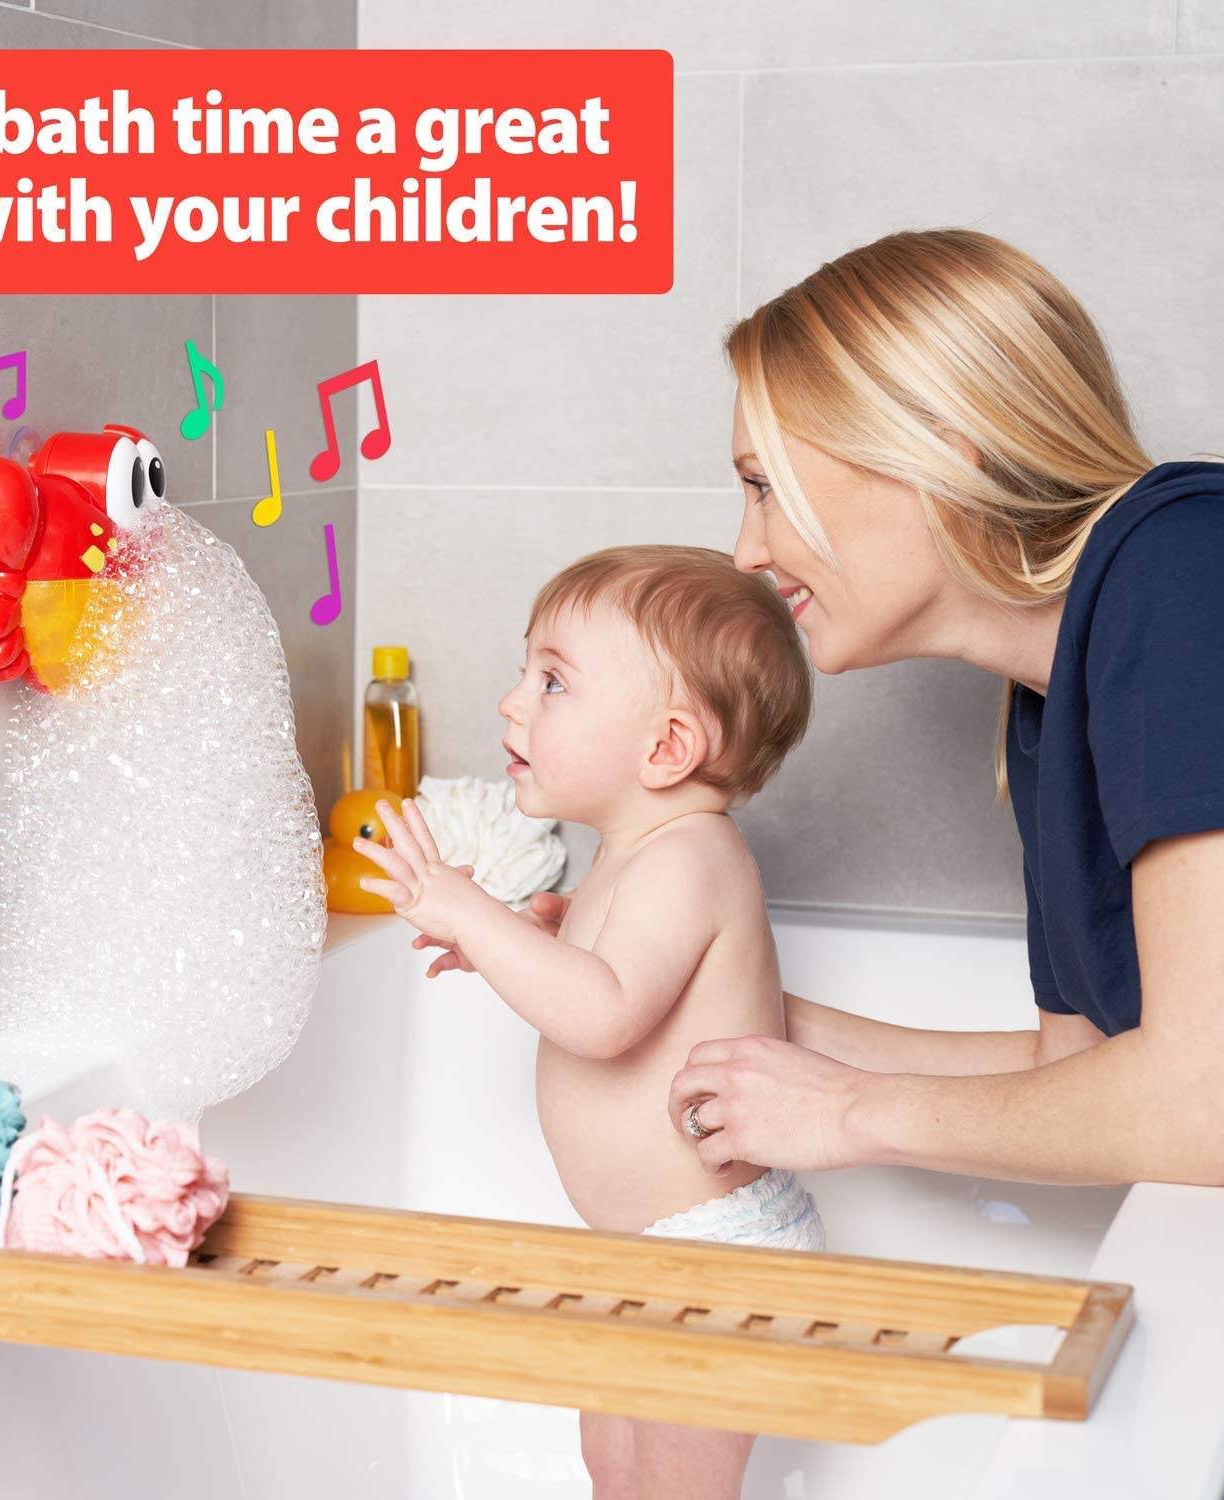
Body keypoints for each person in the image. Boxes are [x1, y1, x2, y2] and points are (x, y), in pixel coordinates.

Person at [548, 226, 1224, 1193]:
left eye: (763, 486)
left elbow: (1206, 1105)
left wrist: (849, 1114)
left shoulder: (1187, 570)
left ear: (935, 454)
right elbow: (1074, 1075)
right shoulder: (1052, 695)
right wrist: (694, 994)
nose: (745, 549)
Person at [355, 543, 821, 1500]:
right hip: (653, 1245)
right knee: (612, 1464)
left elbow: (606, 1018)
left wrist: (469, 911)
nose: (511, 702)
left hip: (716, 1256)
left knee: (678, 1487)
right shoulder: (635, 852)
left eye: (553, 680)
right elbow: (608, 988)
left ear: (665, 748)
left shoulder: (690, 858)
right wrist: (514, 948)